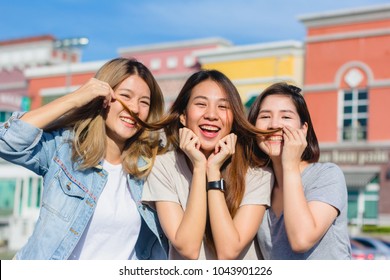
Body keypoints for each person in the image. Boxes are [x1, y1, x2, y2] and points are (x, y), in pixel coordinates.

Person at [0, 58, 168, 260]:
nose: (135, 108)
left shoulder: (151, 166)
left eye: (144, 102)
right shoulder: (64, 150)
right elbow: (8, 141)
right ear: (103, 98)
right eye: (126, 96)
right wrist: (76, 98)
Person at [141, 69, 274, 260]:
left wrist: (213, 172)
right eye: (201, 104)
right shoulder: (163, 167)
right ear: (183, 116)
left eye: (223, 107)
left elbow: (228, 252)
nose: (211, 115)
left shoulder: (257, 174)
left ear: (234, 119)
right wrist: (198, 168)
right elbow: (188, 248)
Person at [247, 82, 351, 259]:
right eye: (265, 116)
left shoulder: (327, 175)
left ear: (303, 129)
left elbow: (302, 239)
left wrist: (289, 164)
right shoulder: (257, 183)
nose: (274, 124)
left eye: (286, 117)